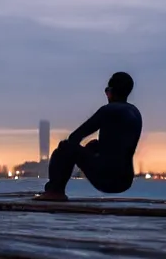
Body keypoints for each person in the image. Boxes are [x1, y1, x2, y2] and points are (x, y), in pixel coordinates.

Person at [35, 71, 142, 201]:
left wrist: (78, 156)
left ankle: (55, 191)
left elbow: (74, 137)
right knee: (94, 145)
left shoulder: (108, 110)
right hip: (125, 180)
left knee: (65, 147)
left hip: (107, 179)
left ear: (110, 91)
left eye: (107, 91)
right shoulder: (135, 113)